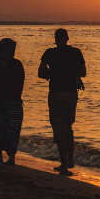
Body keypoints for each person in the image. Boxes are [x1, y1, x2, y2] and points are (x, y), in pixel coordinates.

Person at [38, 28, 86, 176]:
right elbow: (83, 72)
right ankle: (70, 160)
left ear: (55, 39)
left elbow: (40, 72)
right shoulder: (76, 52)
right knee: (68, 127)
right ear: (68, 38)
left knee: (58, 128)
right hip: (72, 93)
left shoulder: (49, 53)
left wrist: (51, 74)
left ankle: (64, 164)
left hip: (56, 93)